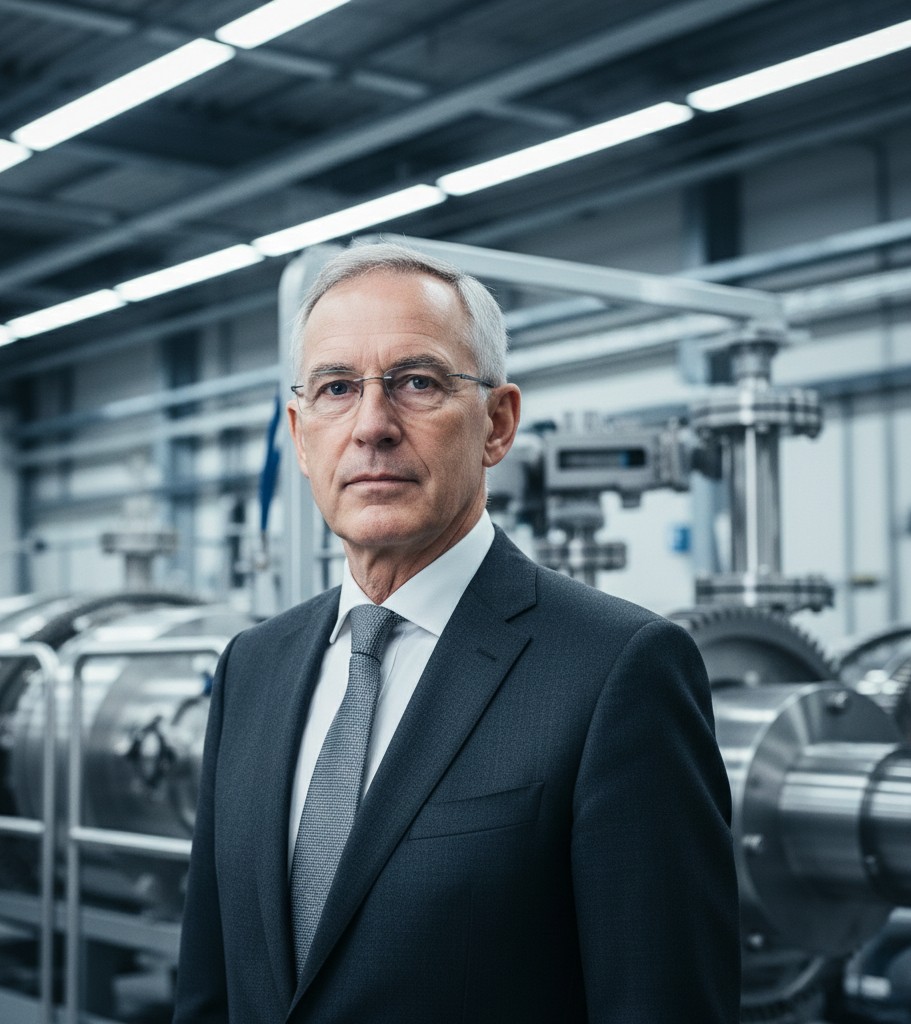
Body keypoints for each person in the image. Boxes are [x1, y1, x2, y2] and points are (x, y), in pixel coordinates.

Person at [173, 242, 739, 1024]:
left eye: (417, 382)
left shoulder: (617, 671)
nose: (372, 426)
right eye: (337, 388)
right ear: (300, 437)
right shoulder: (253, 666)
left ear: (497, 424)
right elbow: (209, 987)